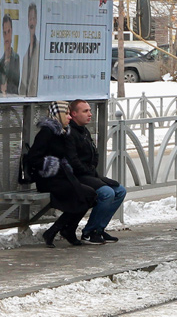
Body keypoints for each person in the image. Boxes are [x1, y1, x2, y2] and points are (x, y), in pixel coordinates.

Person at [27, 101, 95, 247]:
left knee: (90, 195)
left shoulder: (63, 132)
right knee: (84, 195)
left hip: (62, 177)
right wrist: (52, 165)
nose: (70, 118)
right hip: (48, 179)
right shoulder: (47, 132)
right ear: (57, 115)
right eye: (67, 114)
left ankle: (60, 230)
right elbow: (33, 158)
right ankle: (60, 231)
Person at [66, 99, 127, 244]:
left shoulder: (83, 130)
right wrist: (88, 170)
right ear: (74, 114)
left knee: (120, 190)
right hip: (76, 177)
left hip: (88, 174)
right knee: (107, 193)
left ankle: (98, 229)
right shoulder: (70, 133)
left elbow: (94, 153)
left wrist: (92, 169)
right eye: (85, 111)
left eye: (90, 110)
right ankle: (89, 232)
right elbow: (73, 161)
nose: (90, 114)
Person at [0, 13, 21, 96]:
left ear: (12, 32)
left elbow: (16, 85)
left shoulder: (16, 58)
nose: (7, 36)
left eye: (8, 32)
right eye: (4, 32)